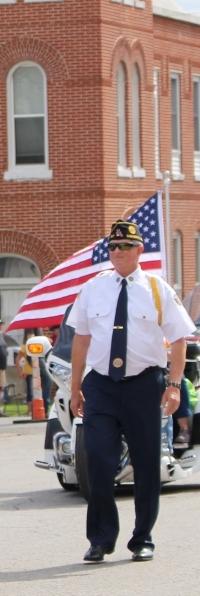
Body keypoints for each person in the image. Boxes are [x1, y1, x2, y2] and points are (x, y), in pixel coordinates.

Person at [67, 220, 195, 563]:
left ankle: (142, 538)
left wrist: (173, 385)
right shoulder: (93, 288)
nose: (118, 253)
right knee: (97, 460)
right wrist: (75, 386)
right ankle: (101, 538)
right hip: (102, 385)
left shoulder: (157, 288)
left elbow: (180, 339)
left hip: (144, 383)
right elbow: (81, 339)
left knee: (146, 462)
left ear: (139, 250)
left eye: (125, 246)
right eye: (112, 248)